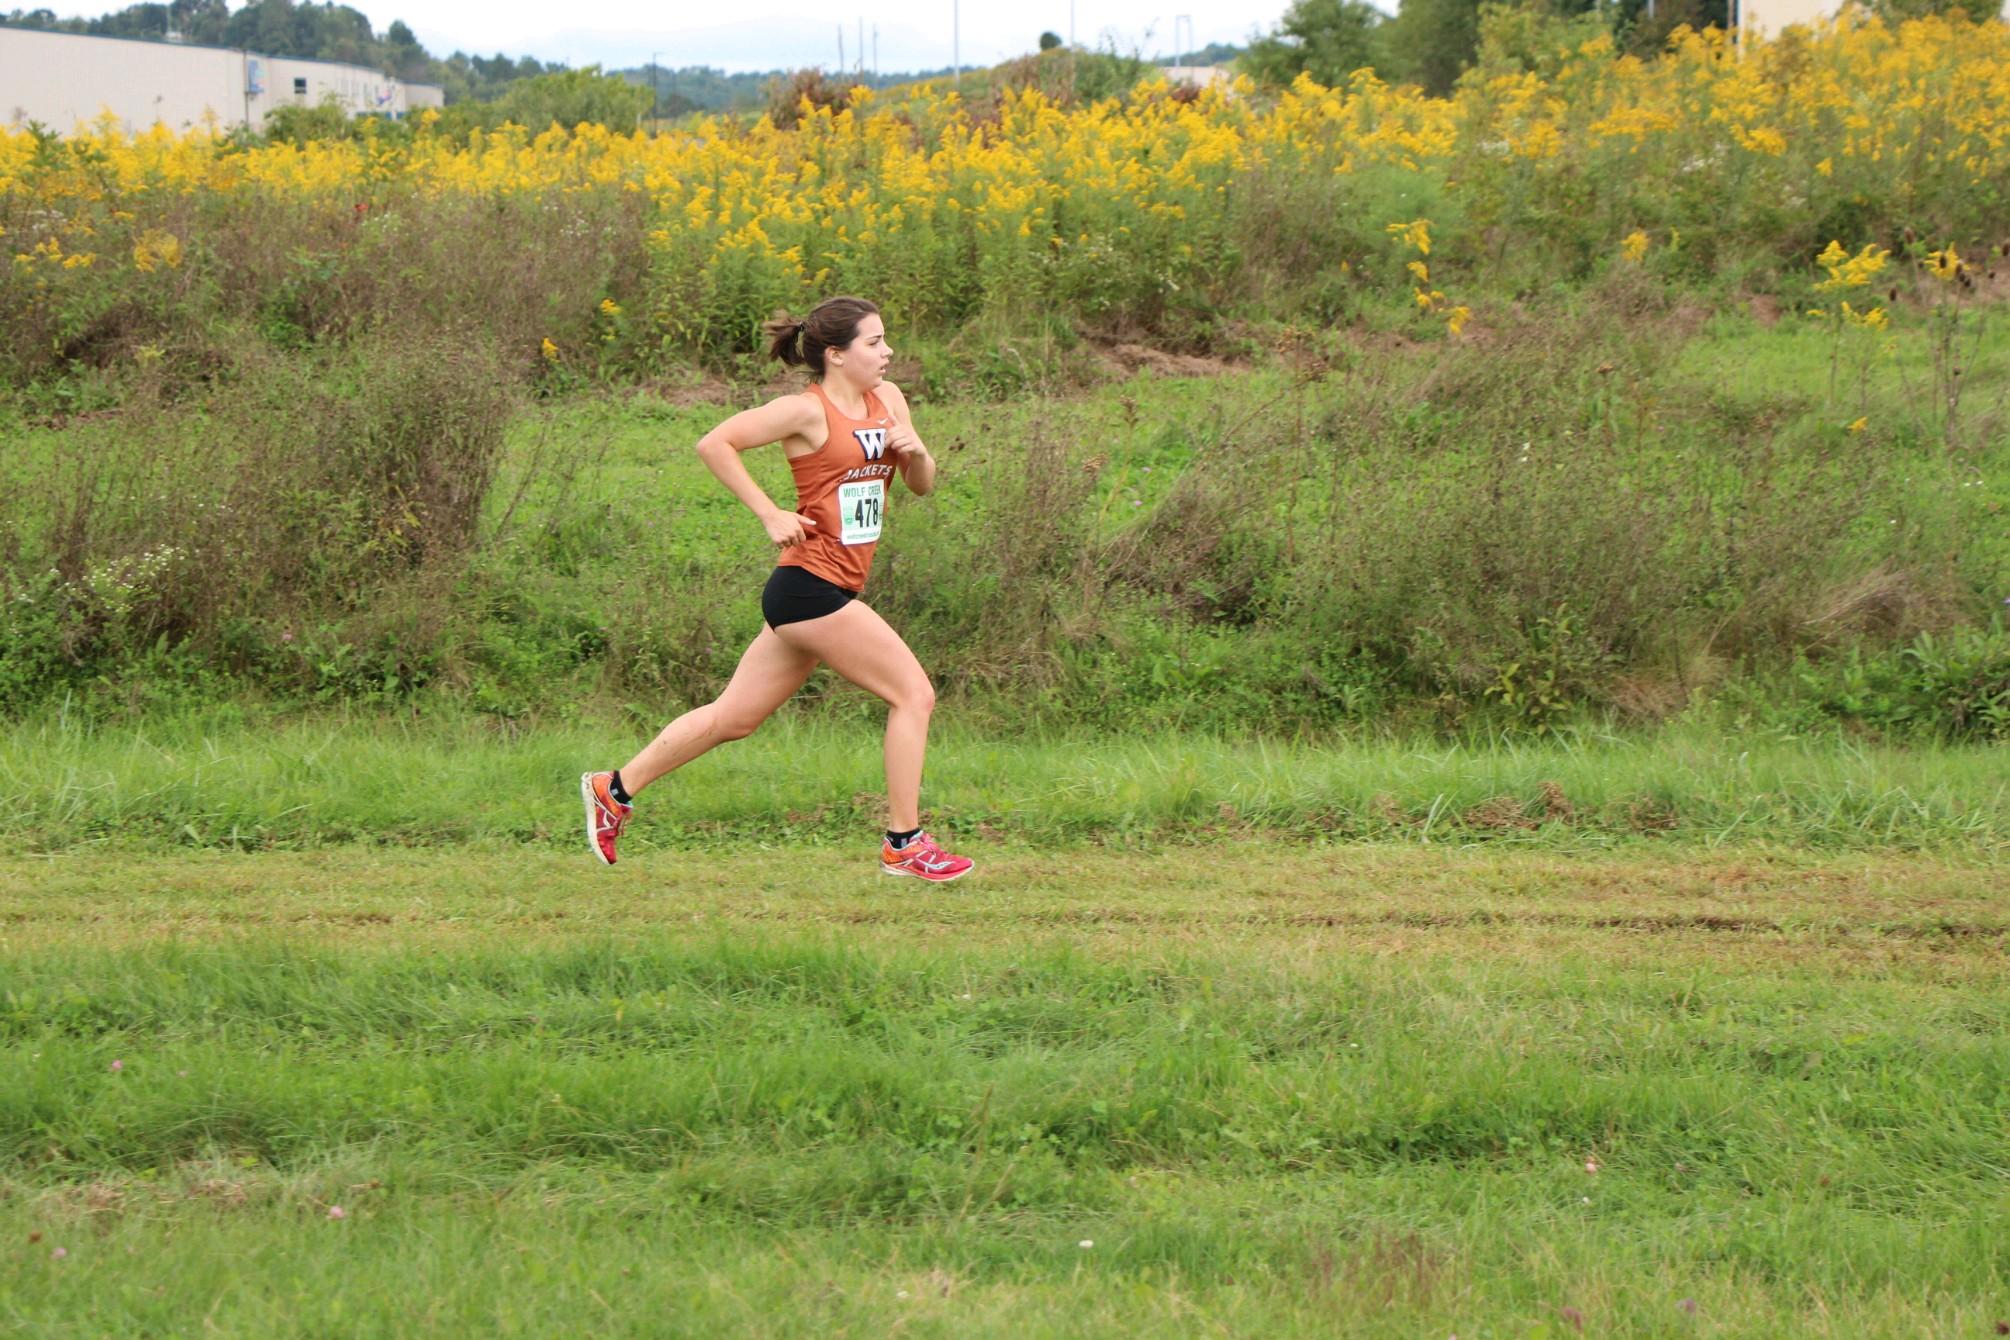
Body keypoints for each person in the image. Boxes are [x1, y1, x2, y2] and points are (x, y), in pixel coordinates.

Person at [580, 296, 973, 882]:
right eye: (873, 343)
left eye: (885, 340)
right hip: (809, 587)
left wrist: (918, 455)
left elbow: (921, 486)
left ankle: (614, 788)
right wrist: (767, 512)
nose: (888, 351)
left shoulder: (889, 401)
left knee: (733, 718)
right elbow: (714, 443)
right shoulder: (802, 412)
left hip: (826, 586)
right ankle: (904, 842)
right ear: (836, 355)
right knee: (913, 695)